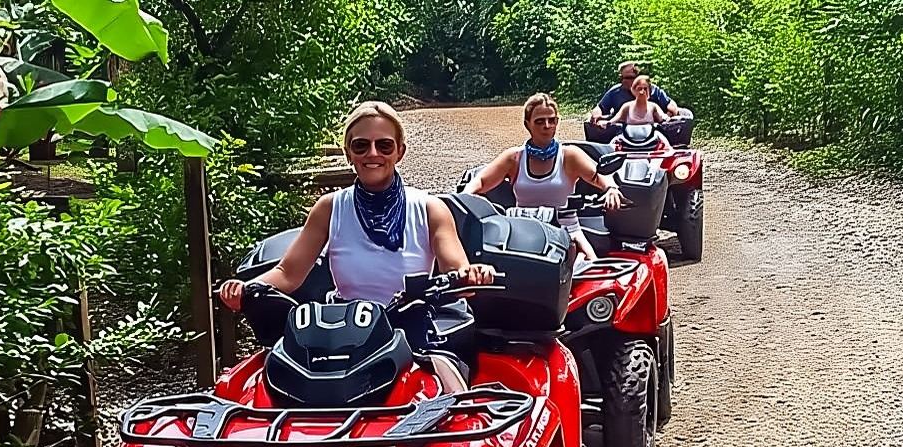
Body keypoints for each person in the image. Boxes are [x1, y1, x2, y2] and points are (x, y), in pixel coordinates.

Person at [217, 101, 495, 390]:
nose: (372, 154)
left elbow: (458, 272)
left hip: (411, 329)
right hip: (339, 334)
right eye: (361, 146)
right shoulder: (329, 208)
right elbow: (288, 273)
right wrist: (245, 288)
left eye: (384, 146)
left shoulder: (429, 208)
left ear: (400, 151)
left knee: (448, 394)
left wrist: (472, 274)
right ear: (349, 153)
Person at [464, 93, 624, 260]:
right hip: (523, 233)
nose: (547, 126)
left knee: (591, 269)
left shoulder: (570, 156)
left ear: (557, 123)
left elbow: (598, 176)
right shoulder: (514, 158)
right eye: (539, 121)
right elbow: (481, 180)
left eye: (551, 120)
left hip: (567, 231)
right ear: (527, 125)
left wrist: (611, 189)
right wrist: (466, 196)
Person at [589, 61, 679, 125]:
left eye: (630, 78)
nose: (625, 81)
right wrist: (597, 115)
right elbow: (600, 107)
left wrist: (669, 116)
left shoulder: (653, 90)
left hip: (653, 131)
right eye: (622, 78)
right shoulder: (615, 92)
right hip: (622, 132)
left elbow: (670, 105)